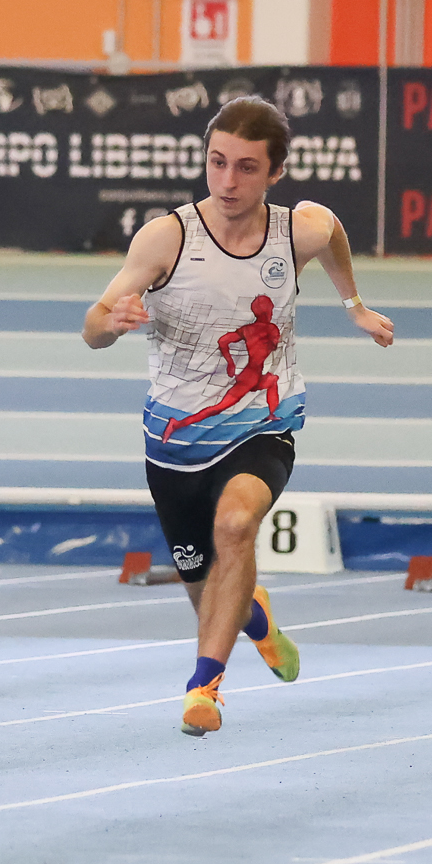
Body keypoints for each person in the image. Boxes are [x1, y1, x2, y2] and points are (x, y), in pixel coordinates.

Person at [81, 96, 394, 736]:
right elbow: (92, 327)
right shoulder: (166, 238)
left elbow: (332, 232)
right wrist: (112, 323)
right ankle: (255, 617)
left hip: (263, 422)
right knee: (207, 587)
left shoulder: (296, 231)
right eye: (217, 162)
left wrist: (355, 305)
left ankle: (204, 689)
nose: (227, 181)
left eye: (246, 167)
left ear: (275, 172)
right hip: (174, 440)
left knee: (236, 524)